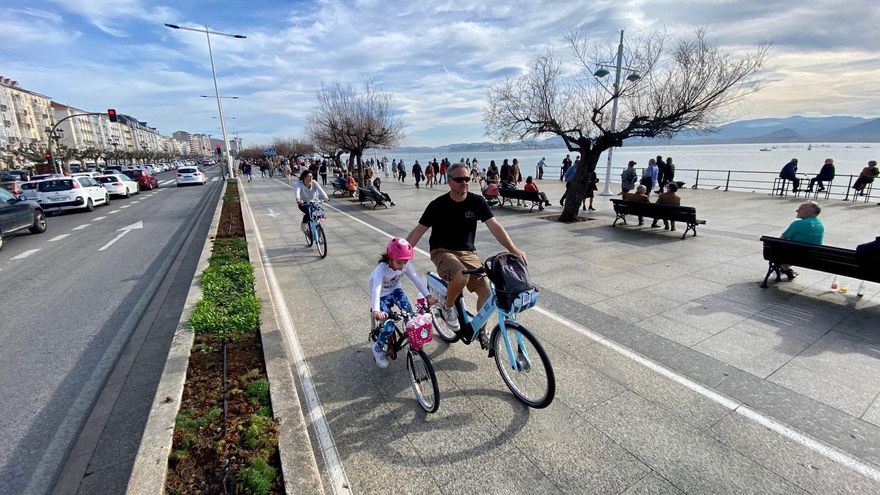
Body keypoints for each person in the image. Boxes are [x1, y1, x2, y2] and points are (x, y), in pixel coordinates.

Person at [405, 163, 527, 352]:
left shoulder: (477, 202)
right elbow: (419, 230)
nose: (464, 183)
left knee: (487, 291)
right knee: (461, 275)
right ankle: (447, 306)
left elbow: (495, 226)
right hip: (442, 251)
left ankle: (480, 330)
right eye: (459, 179)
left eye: (467, 179)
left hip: (468, 252)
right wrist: (400, 254)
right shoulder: (438, 205)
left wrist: (513, 249)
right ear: (449, 181)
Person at [369, 238, 437, 368]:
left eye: (405, 262)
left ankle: (412, 338)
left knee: (410, 313)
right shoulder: (381, 269)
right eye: (399, 262)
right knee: (388, 327)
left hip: (395, 290)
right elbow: (376, 288)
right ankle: (377, 349)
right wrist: (376, 310)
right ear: (390, 258)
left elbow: (416, 278)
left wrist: (428, 296)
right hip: (382, 295)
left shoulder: (405, 265)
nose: (402, 266)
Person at [779, 201, 825, 280]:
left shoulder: (798, 224)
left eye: (801, 209)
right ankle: (786, 269)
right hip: (813, 258)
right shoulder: (820, 224)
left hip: (797, 257)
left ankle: (785, 268)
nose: (797, 210)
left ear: (810, 211)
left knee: (775, 249)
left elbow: (781, 239)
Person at [295, 169, 329, 233]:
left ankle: (318, 228)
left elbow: (321, 190)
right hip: (303, 203)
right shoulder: (299, 183)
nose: (311, 178)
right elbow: (297, 191)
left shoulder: (314, 182)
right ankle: (304, 224)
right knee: (309, 213)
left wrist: (325, 197)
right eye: (309, 176)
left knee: (318, 213)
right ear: (304, 177)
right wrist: (298, 199)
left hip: (314, 202)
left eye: (311, 176)